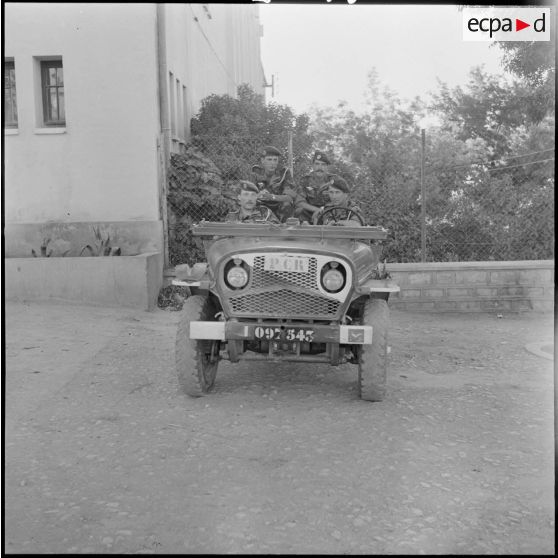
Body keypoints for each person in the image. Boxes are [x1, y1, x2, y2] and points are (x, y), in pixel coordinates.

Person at [251, 145, 297, 222]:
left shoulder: (284, 173)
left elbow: (289, 197)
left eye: (275, 160)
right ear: (262, 160)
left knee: (287, 204)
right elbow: (249, 193)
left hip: (279, 206)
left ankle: (285, 231)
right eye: (269, 159)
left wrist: (271, 197)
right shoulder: (256, 172)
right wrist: (258, 195)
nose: (272, 163)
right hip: (262, 205)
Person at [294, 150, 337, 223]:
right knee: (299, 211)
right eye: (317, 164)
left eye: (323, 165)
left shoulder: (334, 180)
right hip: (310, 212)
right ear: (313, 166)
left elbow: (341, 199)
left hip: (329, 212)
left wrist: (323, 211)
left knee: (333, 216)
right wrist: (317, 210)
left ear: (327, 167)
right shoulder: (305, 180)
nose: (320, 167)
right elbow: (299, 202)